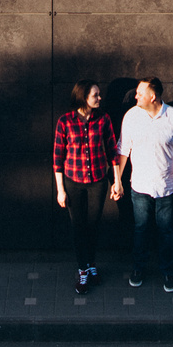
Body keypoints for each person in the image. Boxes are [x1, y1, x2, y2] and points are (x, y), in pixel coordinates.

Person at [114, 77, 173, 292]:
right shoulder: (131, 116)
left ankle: (167, 271)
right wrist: (117, 180)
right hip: (139, 185)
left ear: (153, 96)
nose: (135, 95)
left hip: (168, 187)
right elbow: (123, 149)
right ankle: (138, 268)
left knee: (166, 231)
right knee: (140, 229)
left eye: (140, 92)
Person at [51, 81, 120, 294]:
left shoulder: (104, 119)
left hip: (98, 182)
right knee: (78, 227)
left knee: (93, 225)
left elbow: (113, 152)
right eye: (95, 95)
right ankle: (82, 269)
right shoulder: (65, 122)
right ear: (83, 97)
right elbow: (57, 158)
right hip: (73, 183)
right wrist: (60, 190)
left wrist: (117, 181)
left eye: (99, 94)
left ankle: (91, 265)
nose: (100, 98)